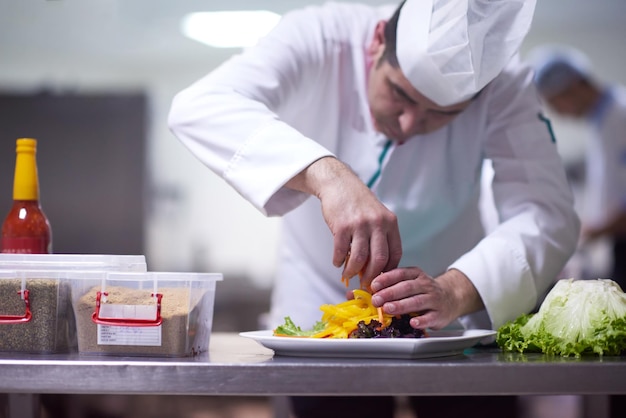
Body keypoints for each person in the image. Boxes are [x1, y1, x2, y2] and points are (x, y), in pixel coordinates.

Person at [169, 1, 580, 417]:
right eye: (400, 94)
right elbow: (199, 106)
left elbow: (547, 213)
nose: (407, 125)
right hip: (319, 296)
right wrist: (328, 175)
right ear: (378, 41)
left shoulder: (503, 83)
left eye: (440, 115)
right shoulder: (320, 36)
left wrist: (455, 290)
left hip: (452, 307)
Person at [531, 45, 626, 291]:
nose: (557, 113)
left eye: (555, 102)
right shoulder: (602, 121)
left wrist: (590, 231)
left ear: (572, 87)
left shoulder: (621, 115)